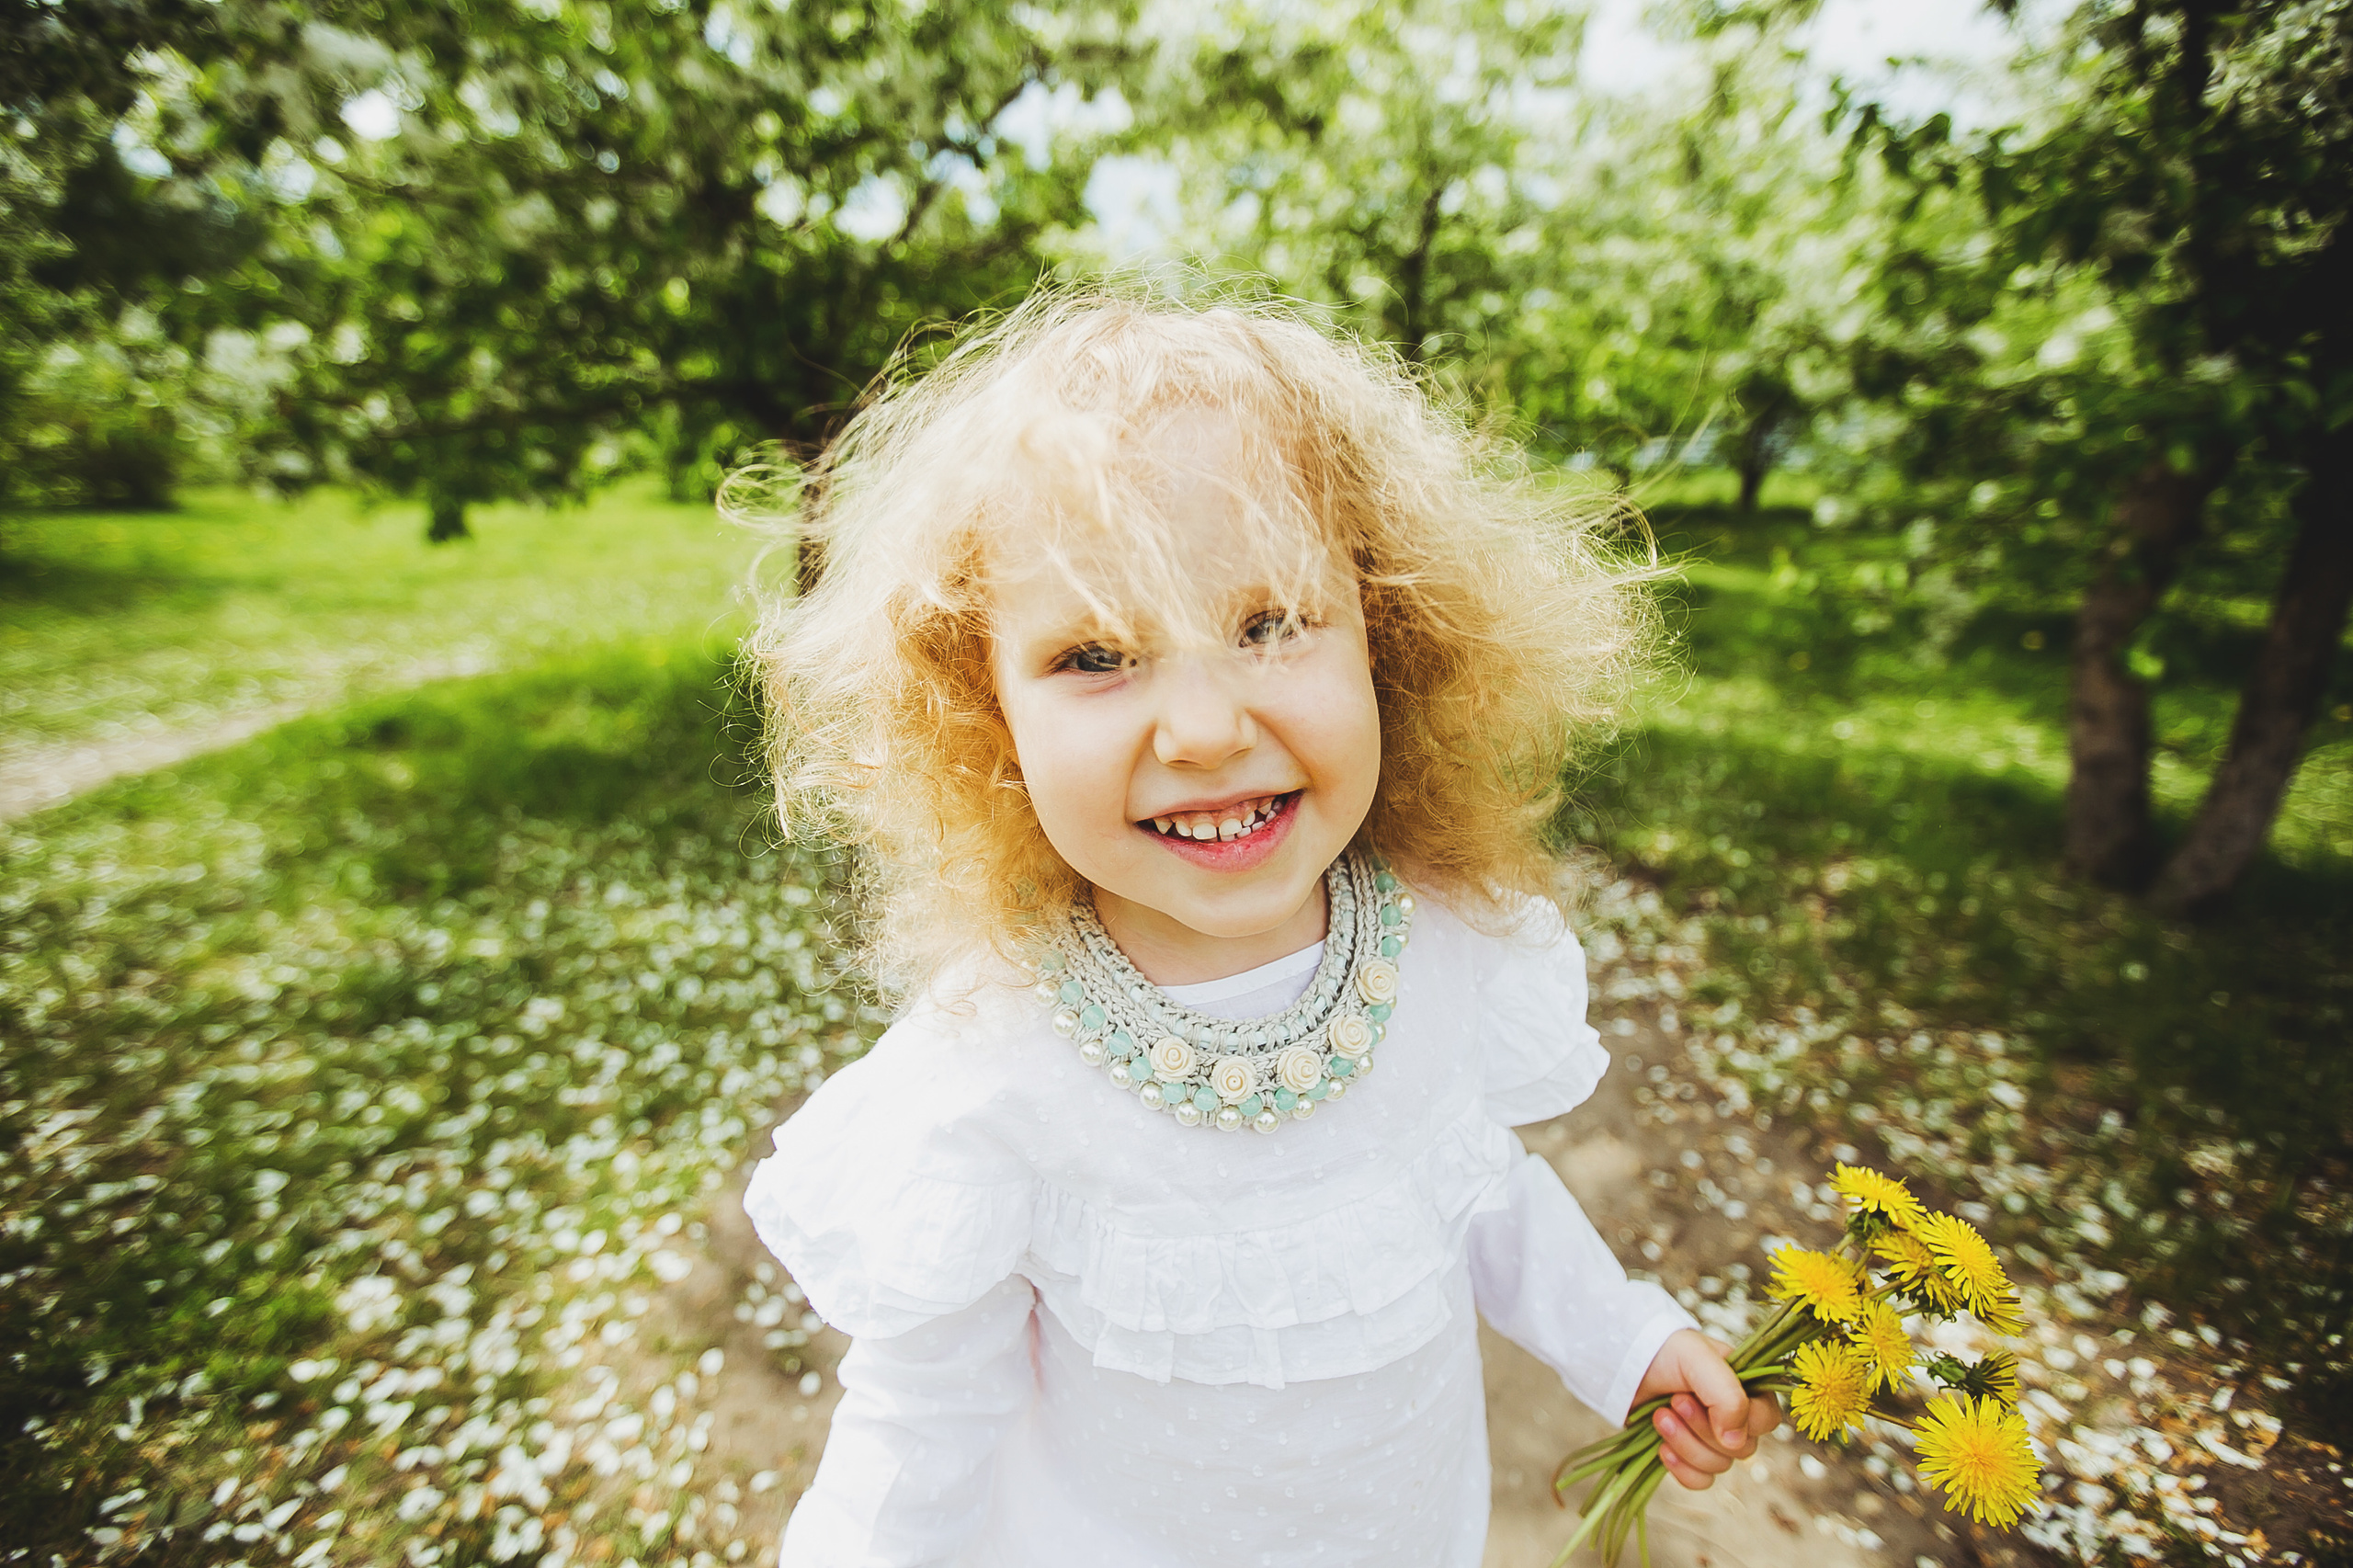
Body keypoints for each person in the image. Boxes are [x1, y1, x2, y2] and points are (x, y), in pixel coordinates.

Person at [736, 292, 1779, 1566]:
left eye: (1268, 624)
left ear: (1387, 638)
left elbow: (1479, 1191)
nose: (1206, 728)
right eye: (1096, 655)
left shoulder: (1440, 947)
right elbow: (919, 1419)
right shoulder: (992, 1070)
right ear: (984, 717)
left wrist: (1627, 1338)